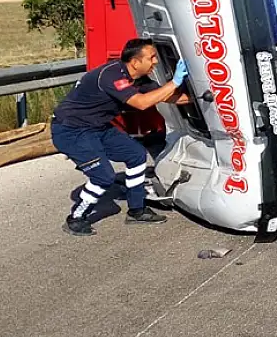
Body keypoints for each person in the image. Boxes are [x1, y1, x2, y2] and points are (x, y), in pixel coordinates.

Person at [51, 38, 190, 236]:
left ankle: (136, 210)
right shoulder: (112, 75)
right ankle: (76, 218)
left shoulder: (138, 79)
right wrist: (174, 82)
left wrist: (202, 97)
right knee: (103, 177)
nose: (155, 62)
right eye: (151, 58)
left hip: (98, 127)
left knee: (135, 155)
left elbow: (166, 96)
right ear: (135, 62)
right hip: (72, 130)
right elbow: (142, 103)